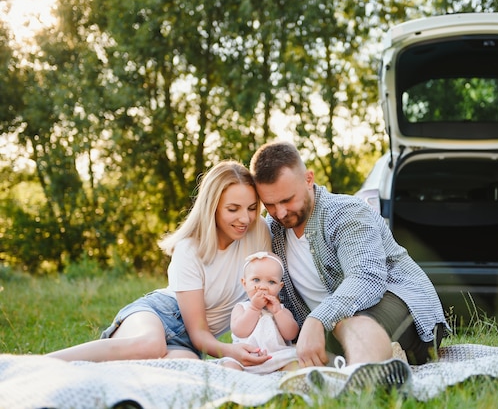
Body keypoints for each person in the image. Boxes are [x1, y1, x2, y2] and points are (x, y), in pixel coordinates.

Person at [250, 141, 450, 379]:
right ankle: (380, 360)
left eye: (287, 200)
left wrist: (317, 319)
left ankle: (358, 385)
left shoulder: (347, 212)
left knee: (342, 322)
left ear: (308, 179)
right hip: (334, 332)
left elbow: (367, 278)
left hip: (408, 310)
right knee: (320, 341)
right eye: (270, 204)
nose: (280, 212)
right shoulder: (273, 230)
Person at [47, 161, 272, 368]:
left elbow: (269, 290)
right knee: (150, 346)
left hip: (189, 345)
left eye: (252, 208)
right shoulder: (190, 248)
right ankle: (38, 364)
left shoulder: (259, 232)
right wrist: (229, 351)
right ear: (212, 207)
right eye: (233, 209)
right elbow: (199, 331)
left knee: (187, 368)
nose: (245, 218)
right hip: (160, 314)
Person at [221, 251, 300, 374]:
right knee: (230, 365)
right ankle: (237, 385)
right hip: (245, 358)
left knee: (296, 364)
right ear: (244, 283)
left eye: (271, 282)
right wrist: (254, 308)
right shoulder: (242, 307)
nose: (263, 286)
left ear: (280, 287)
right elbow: (239, 331)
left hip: (277, 358)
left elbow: (291, 334)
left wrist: (278, 312)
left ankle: (289, 385)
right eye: (256, 280)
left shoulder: (281, 309)